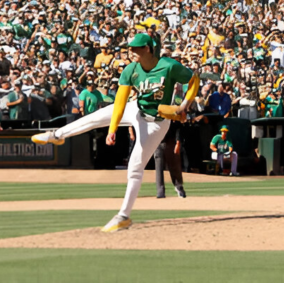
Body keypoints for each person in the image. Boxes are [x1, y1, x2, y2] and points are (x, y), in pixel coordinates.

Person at [31, 33, 197, 232]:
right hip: (137, 108)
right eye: (131, 48)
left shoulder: (169, 66)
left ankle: (123, 216)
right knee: (95, 117)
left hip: (157, 122)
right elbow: (119, 102)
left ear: (147, 49)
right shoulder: (131, 69)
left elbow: (193, 80)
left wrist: (185, 105)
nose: (131, 51)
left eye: (136, 48)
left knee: (135, 166)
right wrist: (112, 129)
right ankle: (57, 136)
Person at [153, 119, 186, 198]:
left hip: (170, 141)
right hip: (157, 142)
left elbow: (178, 127)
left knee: (174, 166)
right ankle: (160, 192)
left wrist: (178, 142)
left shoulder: (170, 113)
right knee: (159, 168)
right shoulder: (154, 115)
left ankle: (179, 187)